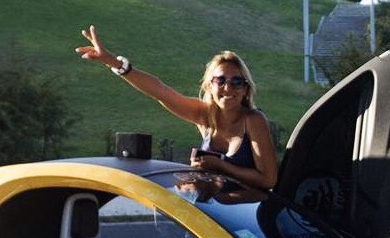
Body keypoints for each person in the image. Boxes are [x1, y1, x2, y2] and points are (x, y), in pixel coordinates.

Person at [75, 26, 278, 189]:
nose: (228, 87)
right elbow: (160, 92)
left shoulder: (253, 120)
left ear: (246, 88)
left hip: (242, 218)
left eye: (237, 82)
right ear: (209, 85)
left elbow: (268, 180)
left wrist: (220, 166)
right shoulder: (204, 115)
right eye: (220, 80)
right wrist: (112, 62)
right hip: (208, 214)